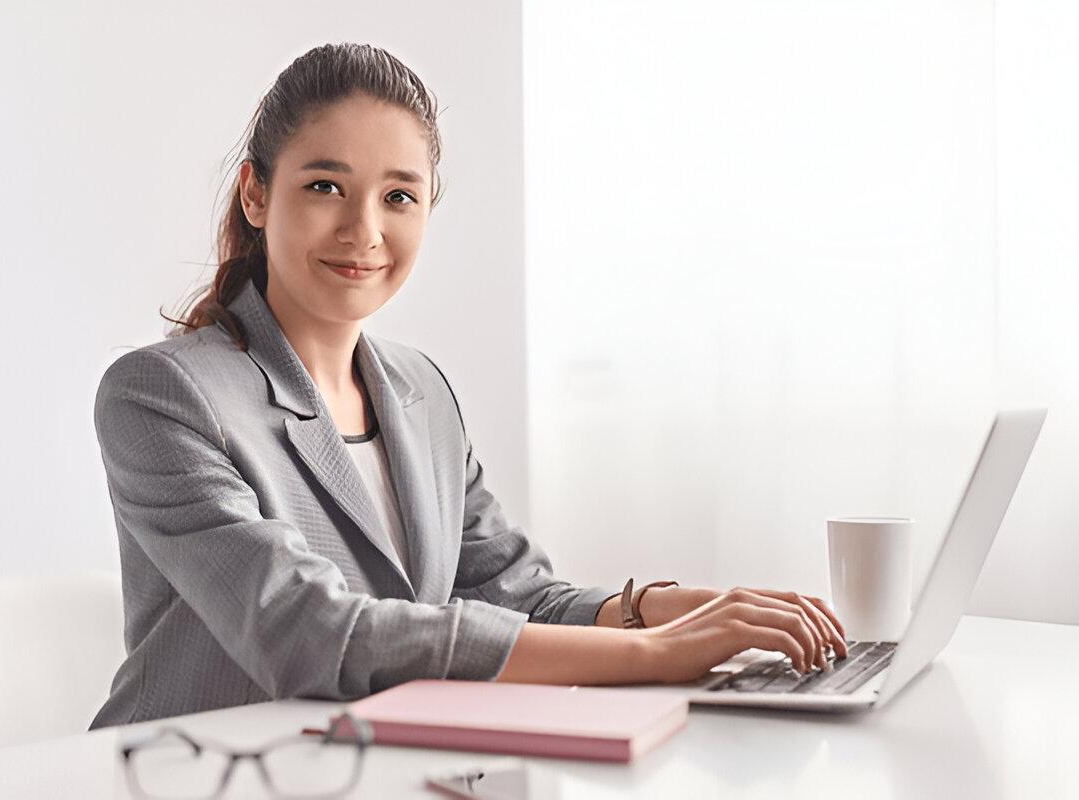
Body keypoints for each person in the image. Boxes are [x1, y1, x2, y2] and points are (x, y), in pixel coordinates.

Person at [88, 42, 847, 730]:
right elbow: (314, 635)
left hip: (388, 773)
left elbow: (513, 595)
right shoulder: (162, 396)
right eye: (326, 186)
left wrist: (660, 610)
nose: (365, 231)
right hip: (206, 779)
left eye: (399, 196)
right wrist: (656, 657)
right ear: (257, 194)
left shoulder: (421, 393)